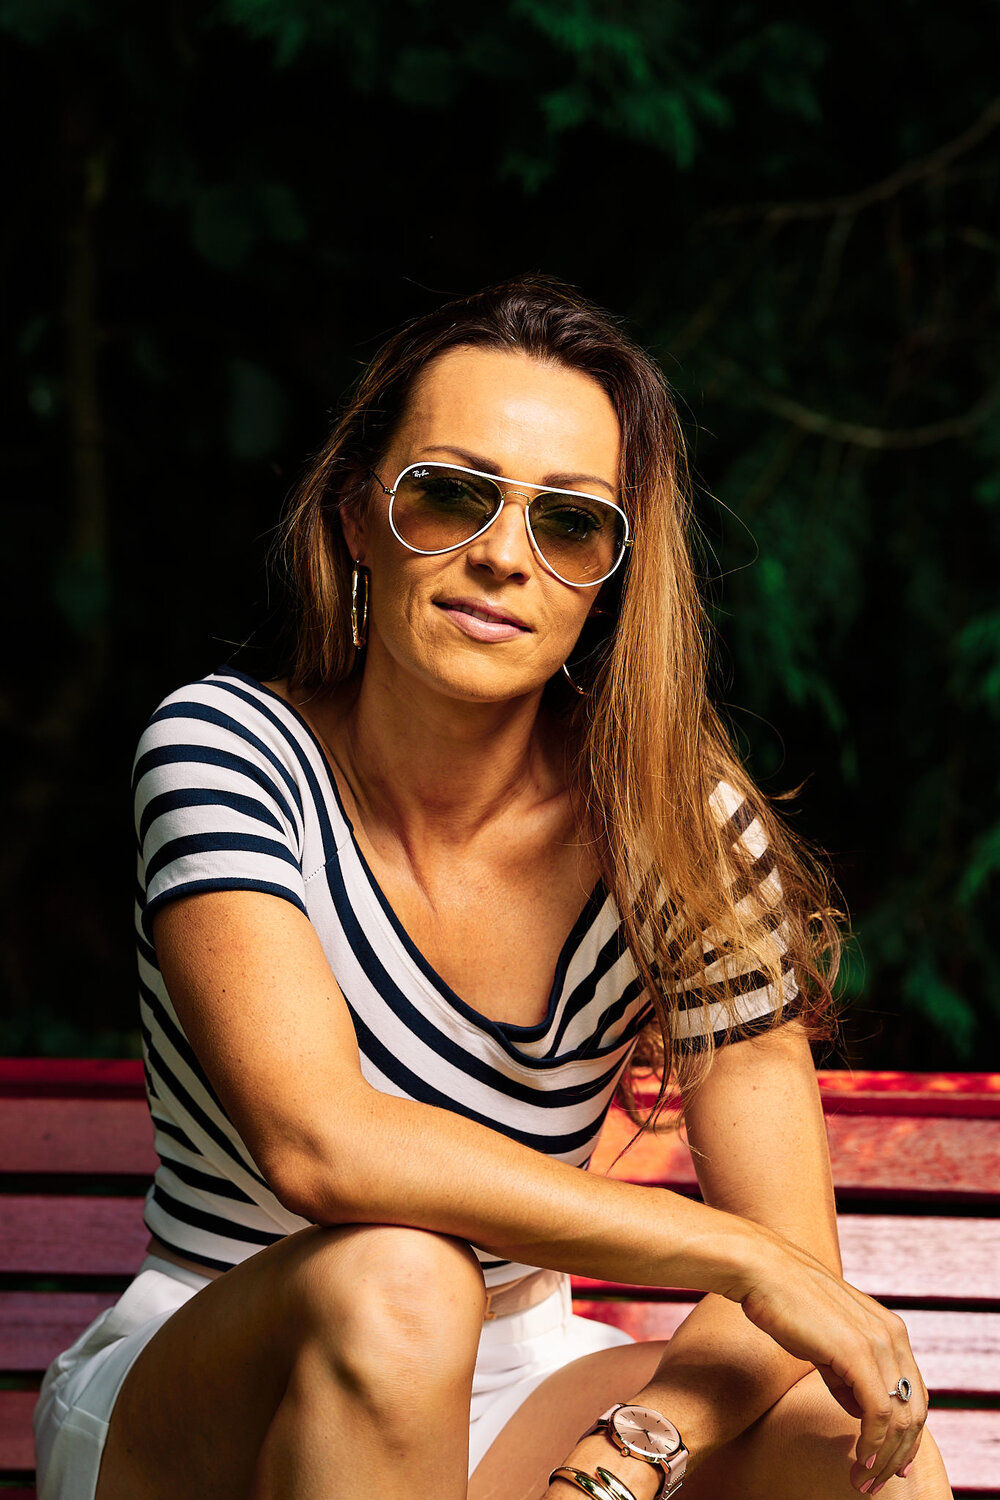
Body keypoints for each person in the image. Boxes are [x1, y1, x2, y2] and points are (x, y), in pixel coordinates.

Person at [34, 274, 951, 1500]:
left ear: (610, 573)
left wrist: (627, 1457)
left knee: (863, 1458)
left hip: (519, 1378)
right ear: (357, 516)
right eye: (451, 495)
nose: (504, 558)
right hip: (214, 1375)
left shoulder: (677, 829)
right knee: (398, 1279)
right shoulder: (226, 753)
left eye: (569, 524)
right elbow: (323, 1147)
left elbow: (793, 1273)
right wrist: (738, 1257)